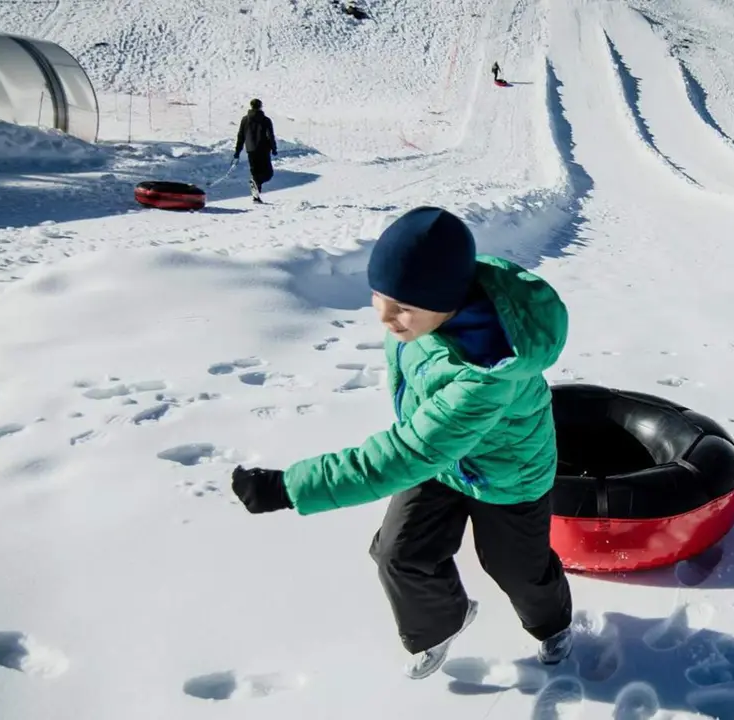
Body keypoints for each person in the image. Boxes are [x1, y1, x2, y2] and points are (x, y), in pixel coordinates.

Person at [230, 206, 573, 680]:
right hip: (441, 461)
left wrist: (290, 487)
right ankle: (441, 623)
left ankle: (552, 625)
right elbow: (423, 436)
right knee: (398, 552)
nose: (386, 317)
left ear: (448, 300)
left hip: (506, 473)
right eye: (378, 295)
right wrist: (407, 311)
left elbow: (404, 455)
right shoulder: (422, 317)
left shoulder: (484, 375)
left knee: (515, 569)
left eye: (403, 306)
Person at [233, 98, 277, 203]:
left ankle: (256, 197)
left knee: (255, 173)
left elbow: (241, 136)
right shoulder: (266, 120)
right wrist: (274, 148)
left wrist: (237, 151)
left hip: (250, 150)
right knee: (268, 173)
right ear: (260, 106)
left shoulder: (244, 119)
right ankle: (257, 184)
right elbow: (270, 136)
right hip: (263, 150)